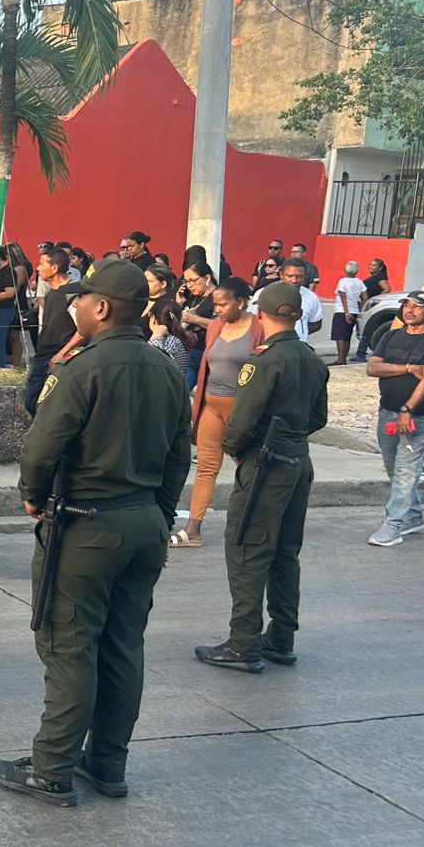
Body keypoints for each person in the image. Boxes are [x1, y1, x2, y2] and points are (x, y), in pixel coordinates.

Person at [0, 260, 189, 807]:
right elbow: (179, 456)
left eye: (81, 299)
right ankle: (106, 763)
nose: (74, 305)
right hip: (144, 521)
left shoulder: (80, 369)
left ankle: (52, 768)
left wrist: (32, 494)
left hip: (88, 524)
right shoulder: (167, 368)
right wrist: (161, 520)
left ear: (101, 307)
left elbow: (40, 447)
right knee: (123, 646)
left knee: (70, 646)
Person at [192, 282, 328, 672]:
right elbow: (318, 418)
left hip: (265, 463)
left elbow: (242, 422)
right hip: (297, 458)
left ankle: (243, 643)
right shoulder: (312, 360)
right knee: (285, 552)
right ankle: (281, 637)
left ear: (261, 314)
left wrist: (237, 449)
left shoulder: (262, 361)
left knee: (247, 550)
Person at [169, 277, 260, 549]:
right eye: (216, 304)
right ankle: (193, 529)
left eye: (223, 304)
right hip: (210, 405)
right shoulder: (217, 327)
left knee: (247, 467)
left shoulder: (258, 329)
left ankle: (254, 524)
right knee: (206, 468)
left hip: (240, 408)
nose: (217, 309)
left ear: (241, 302)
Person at [364, 290, 424, 548]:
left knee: (406, 470)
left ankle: (393, 525)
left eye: (417, 306)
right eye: (407, 305)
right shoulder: (391, 335)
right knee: (392, 467)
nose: (409, 310)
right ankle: (413, 516)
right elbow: (372, 368)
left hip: (419, 417)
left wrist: (407, 410)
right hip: (387, 411)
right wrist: (409, 368)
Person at [24, 247, 76, 416]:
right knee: (31, 401)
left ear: (54, 268)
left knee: (49, 405)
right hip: (43, 353)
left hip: (59, 356)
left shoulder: (72, 294)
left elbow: (83, 330)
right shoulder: (51, 292)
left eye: (42, 264)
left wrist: (62, 354)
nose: (38, 268)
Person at [267, 258, 323, 341]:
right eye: (290, 276)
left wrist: (299, 334)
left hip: (298, 345)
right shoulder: (264, 293)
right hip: (269, 345)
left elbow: (316, 324)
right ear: (281, 275)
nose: (294, 280)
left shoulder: (311, 297)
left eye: (299, 277)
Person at [350, 257, 393, 363]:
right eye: (370, 264)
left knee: (366, 328)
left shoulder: (380, 277)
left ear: (380, 268)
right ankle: (360, 353)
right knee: (364, 329)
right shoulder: (373, 277)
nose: (370, 267)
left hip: (372, 306)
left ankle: (361, 353)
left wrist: (375, 299)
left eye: (373, 265)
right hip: (366, 305)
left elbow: (387, 289)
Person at [331, 261, 365, 366]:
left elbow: (342, 295)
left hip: (342, 311)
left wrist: (346, 311)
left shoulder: (343, 281)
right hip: (354, 311)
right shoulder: (360, 282)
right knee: (347, 335)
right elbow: (365, 297)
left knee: (340, 336)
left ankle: (340, 359)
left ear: (345, 270)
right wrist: (359, 308)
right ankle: (343, 357)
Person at [147, 300, 191, 371]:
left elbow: (153, 362)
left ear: (153, 318)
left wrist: (156, 336)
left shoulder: (171, 341)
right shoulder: (178, 338)